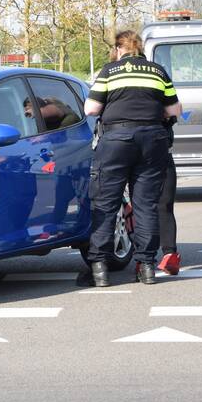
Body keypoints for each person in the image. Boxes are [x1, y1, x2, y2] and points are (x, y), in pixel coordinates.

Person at [80, 30, 182, 287]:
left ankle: (100, 269)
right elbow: (174, 110)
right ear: (139, 49)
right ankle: (146, 266)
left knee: (105, 202)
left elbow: (91, 109)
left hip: (116, 139)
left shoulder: (109, 71)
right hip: (152, 139)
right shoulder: (157, 71)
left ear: (118, 49)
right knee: (146, 204)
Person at [157, 117, 180, 275]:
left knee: (140, 205)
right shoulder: (163, 90)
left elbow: (92, 109)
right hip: (159, 145)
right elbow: (174, 111)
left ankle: (144, 260)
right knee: (164, 205)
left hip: (122, 145)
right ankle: (169, 254)